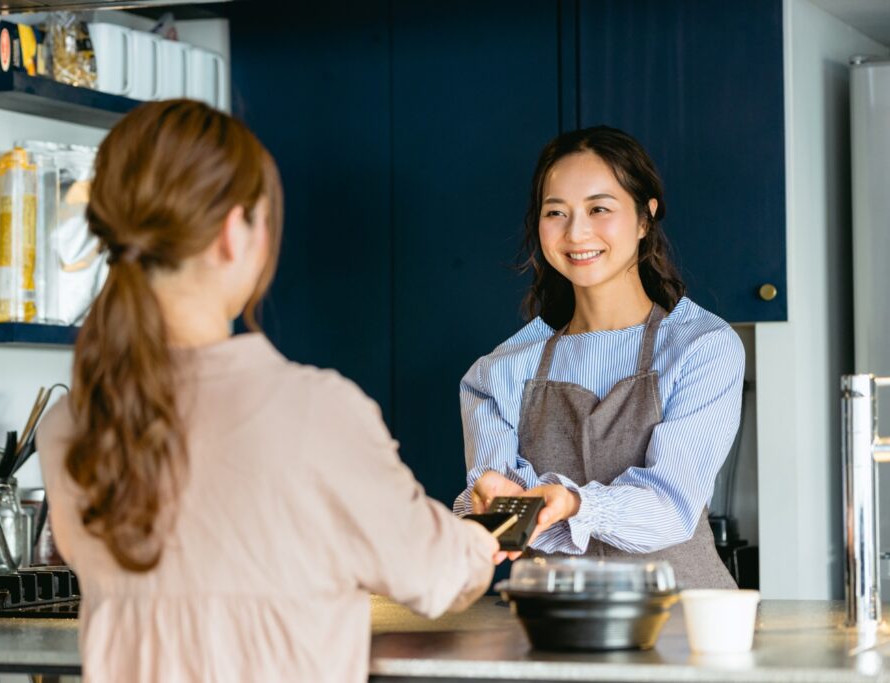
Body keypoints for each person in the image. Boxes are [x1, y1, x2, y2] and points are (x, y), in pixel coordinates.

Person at [37, 100, 499, 683]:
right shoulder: (317, 412)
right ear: (235, 233)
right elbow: (438, 576)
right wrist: (483, 537)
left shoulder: (68, 424)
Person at [453, 126, 743, 589]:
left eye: (599, 208)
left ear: (645, 217)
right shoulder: (499, 372)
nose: (577, 232)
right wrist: (490, 507)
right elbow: (499, 514)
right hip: (554, 627)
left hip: (682, 628)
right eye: (556, 213)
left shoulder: (701, 347)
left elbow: (672, 508)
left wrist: (574, 504)